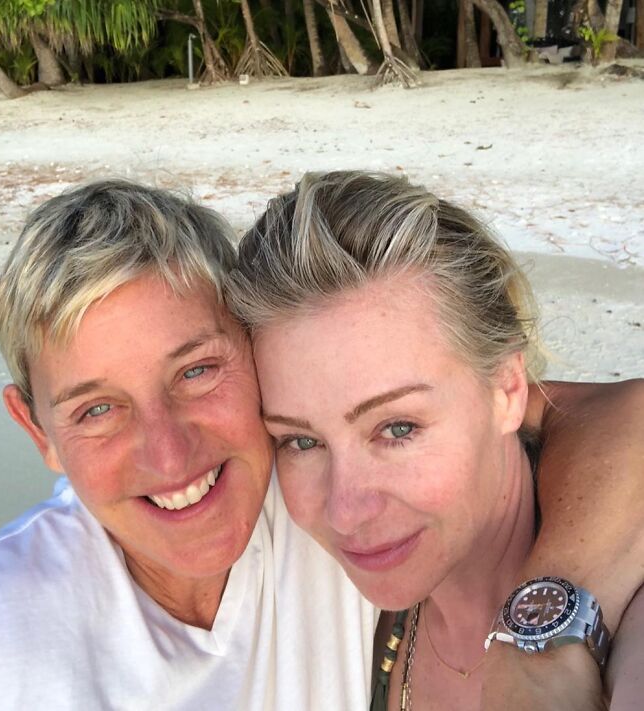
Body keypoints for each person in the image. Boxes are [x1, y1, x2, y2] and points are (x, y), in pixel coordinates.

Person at [0, 179, 641, 710]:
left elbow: (618, 414)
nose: (169, 455)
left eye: (196, 371)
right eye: (97, 409)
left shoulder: (305, 509)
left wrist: (541, 642)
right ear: (37, 430)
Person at [226, 170, 644, 710]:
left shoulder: (625, 619)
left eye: (398, 428)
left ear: (508, 390)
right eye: (301, 442)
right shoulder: (353, 616)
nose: (346, 512)